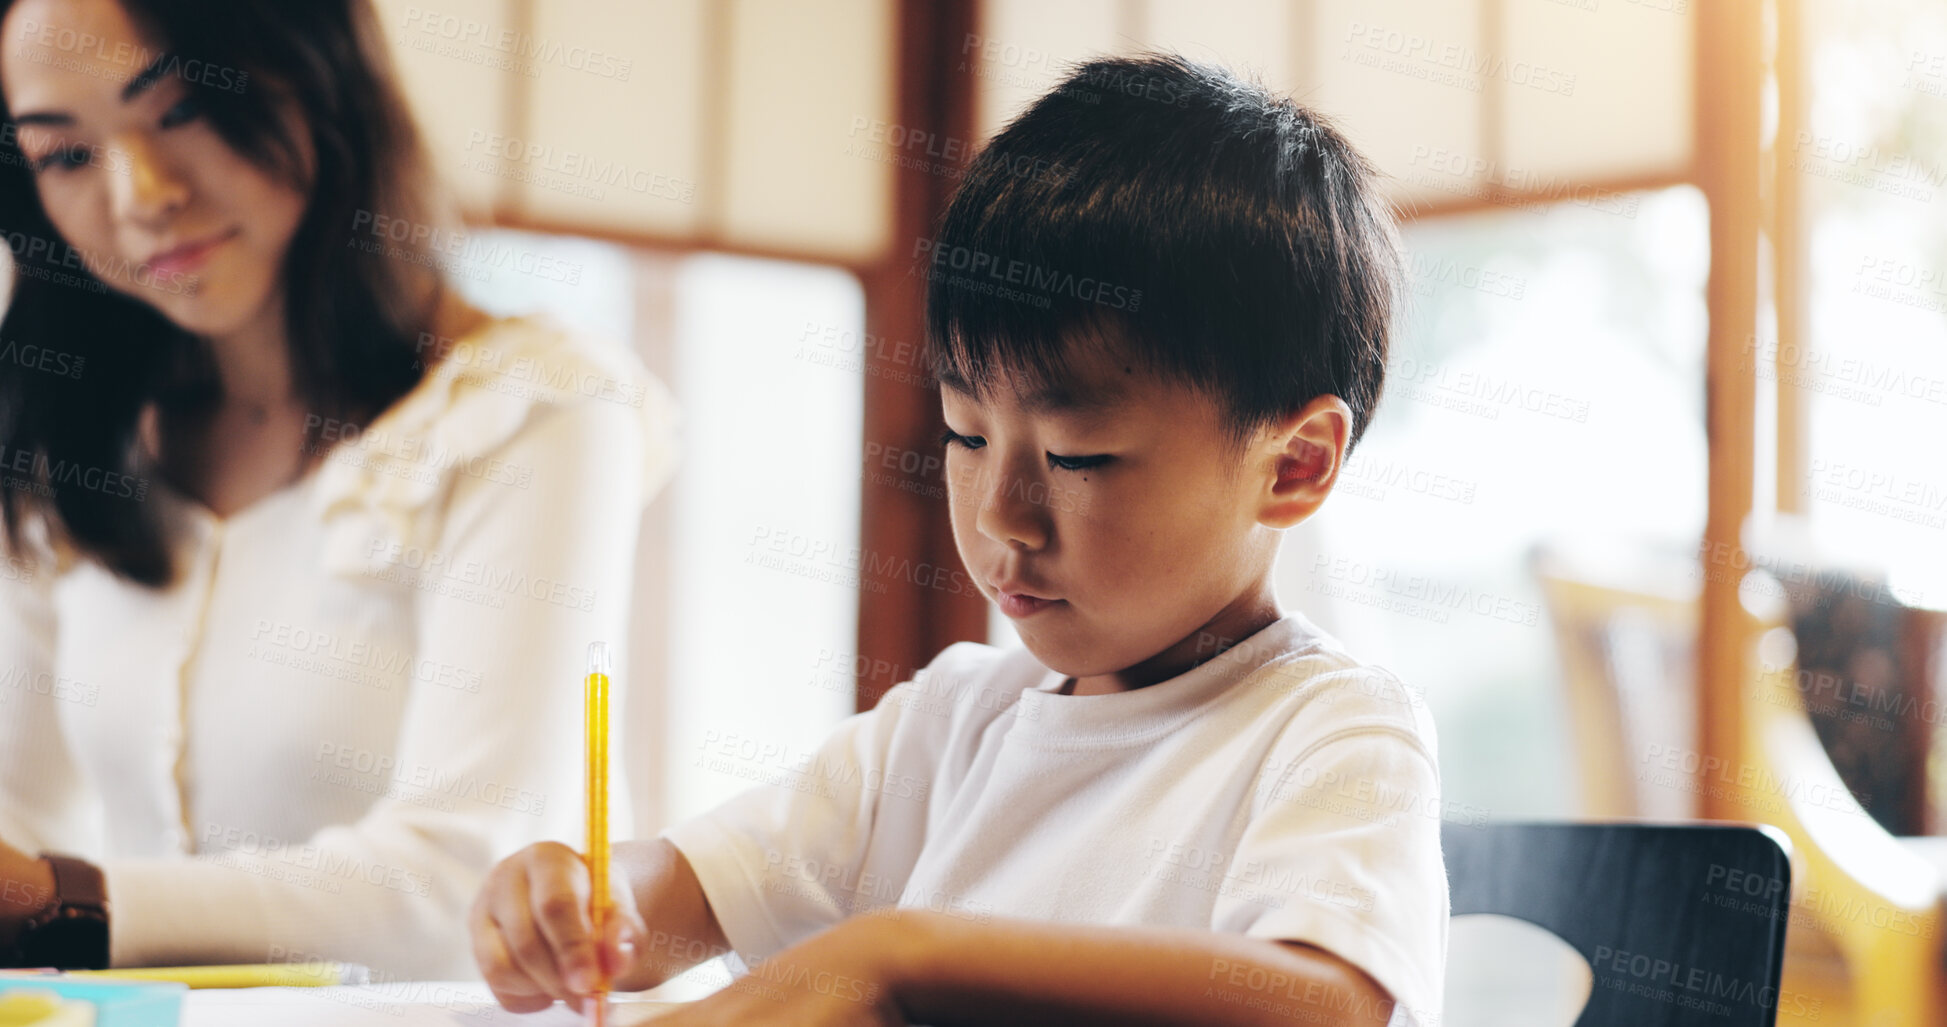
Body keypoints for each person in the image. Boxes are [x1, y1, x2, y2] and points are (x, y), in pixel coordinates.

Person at [472, 53, 1445, 1026]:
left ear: (1295, 465)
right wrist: (584, 900)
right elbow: (681, 901)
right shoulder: (948, 726)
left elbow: (1324, 1004)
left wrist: (904, 956)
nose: (998, 514)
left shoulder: (1331, 731)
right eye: (966, 435)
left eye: (1078, 455)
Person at [0, 0, 674, 979]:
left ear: (318, 74)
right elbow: (15, 806)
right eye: (66, 156)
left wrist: (59, 901)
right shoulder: (78, 426)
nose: (141, 194)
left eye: (182, 108)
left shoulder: (534, 411)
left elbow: (461, 881)